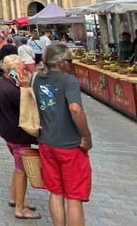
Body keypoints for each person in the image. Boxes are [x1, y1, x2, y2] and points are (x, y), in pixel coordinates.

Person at [34, 43, 93, 226]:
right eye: (69, 59)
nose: (71, 63)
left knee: (56, 192)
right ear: (60, 62)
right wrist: (86, 136)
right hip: (69, 145)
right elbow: (75, 109)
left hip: (47, 142)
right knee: (74, 197)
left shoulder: (37, 79)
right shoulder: (69, 81)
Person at [0, 55, 41, 220]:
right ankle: (20, 208)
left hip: (8, 132)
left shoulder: (2, 83)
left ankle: (14, 197)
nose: (26, 70)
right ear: (13, 70)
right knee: (23, 171)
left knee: (18, 167)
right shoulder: (13, 90)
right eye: (22, 68)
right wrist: (26, 88)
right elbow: (27, 107)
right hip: (18, 134)